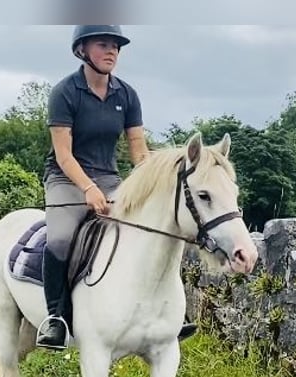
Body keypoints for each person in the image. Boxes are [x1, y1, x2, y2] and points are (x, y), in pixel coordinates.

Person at [37, 25, 196, 349]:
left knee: (147, 230)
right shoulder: (65, 93)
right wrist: (87, 189)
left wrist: (154, 182)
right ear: (82, 50)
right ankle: (56, 318)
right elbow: (64, 155)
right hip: (66, 179)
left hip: (109, 178)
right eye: (103, 44)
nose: (112, 51)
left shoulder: (127, 94)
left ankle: (164, 318)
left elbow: (138, 150)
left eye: (116, 47)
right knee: (61, 239)